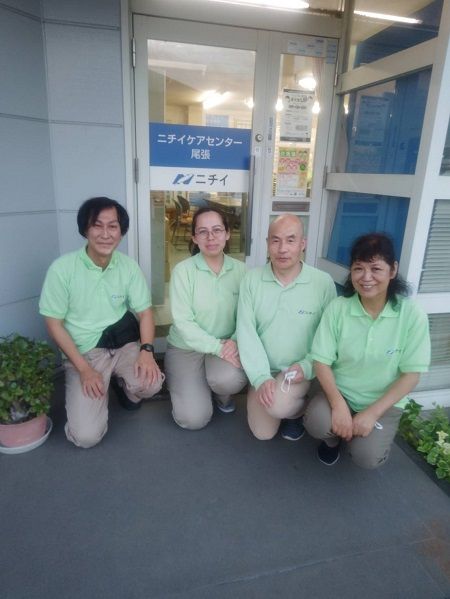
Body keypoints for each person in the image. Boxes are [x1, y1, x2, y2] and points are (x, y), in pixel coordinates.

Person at [39, 197, 163, 448]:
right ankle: (101, 384)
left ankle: (124, 387)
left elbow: (145, 312)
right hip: (85, 353)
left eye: (113, 226)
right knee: (85, 437)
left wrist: (147, 351)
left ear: (121, 232)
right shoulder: (62, 269)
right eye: (97, 225)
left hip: (123, 345)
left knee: (152, 383)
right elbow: (53, 324)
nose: (105, 234)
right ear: (85, 229)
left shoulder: (128, 267)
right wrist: (84, 370)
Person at [304, 233, 431, 468]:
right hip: (341, 392)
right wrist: (338, 405)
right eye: (358, 268)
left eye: (376, 269)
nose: (366, 277)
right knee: (317, 422)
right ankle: (332, 441)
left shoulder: (412, 316)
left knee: (367, 456)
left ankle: (360, 437)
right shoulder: (338, 308)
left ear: (393, 270)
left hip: (383, 401)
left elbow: (411, 375)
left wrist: (372, 413)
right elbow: (321, 361)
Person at [237, 214, 337, 441]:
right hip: (266, 370)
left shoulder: (322, 283)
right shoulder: (251, 280)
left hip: (301, 371)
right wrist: (260, 377)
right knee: (263, 434)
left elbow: (330, 338)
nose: (282, 249)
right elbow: (246, 332)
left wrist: (308, 366)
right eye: (276, 240)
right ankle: (277, 399)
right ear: (267, 244)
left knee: (278, 406)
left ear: (303, 244)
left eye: (291, 240)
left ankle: (298, 412)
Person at [165, 207, 247, 430]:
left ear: (227, 234)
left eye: (217, 230)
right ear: (194, 237)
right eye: (203, 231)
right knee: (193, 419)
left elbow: (248, 316)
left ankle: (222, 396)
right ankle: (195, 388)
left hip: (226, 343)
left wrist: (234, 340)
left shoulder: (242, 271)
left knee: (227, 380)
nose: (211, 237)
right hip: (186, 348)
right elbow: (183, 322)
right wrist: (218, 348)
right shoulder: (183, 271)